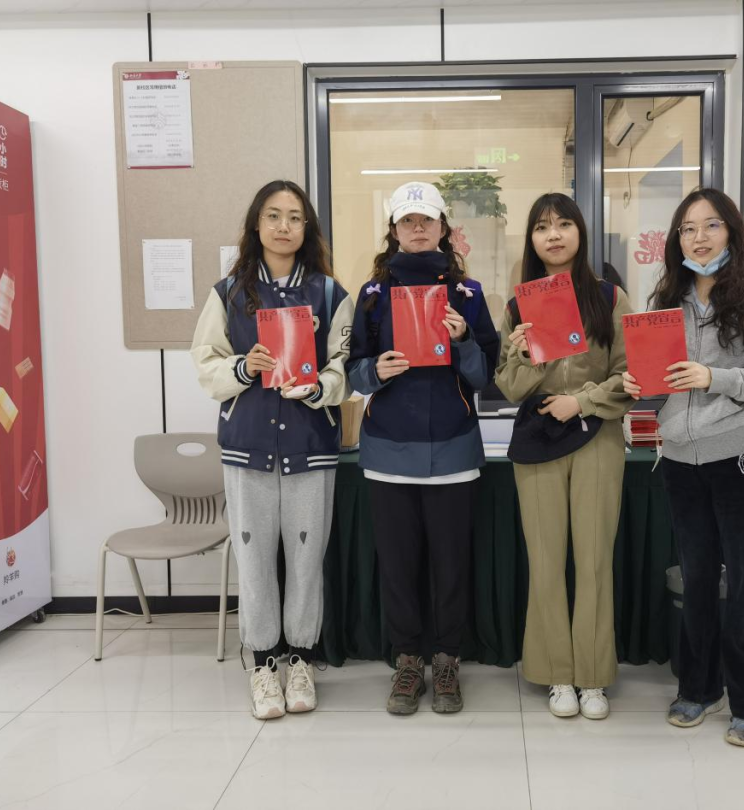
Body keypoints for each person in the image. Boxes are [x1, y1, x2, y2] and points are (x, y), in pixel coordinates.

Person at [623, 187, 744, 747]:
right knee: (696, 578)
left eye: (711, 225)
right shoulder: (664, 303)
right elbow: (658, 387)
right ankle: (698, 687)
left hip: (741, 455)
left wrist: (712, 377)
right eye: (688, 228)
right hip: (679, 457)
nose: (699, 237)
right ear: (677, 240)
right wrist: (636, 386)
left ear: (732, 232)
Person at [191, 180, 354, 720]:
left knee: (307, 560)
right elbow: (206, 362)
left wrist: (319, 387)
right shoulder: (228, 293)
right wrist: (244, 368)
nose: (284, 226)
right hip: (249, 447)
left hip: (311, 446)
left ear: (308, 228)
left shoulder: (330, 294)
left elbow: (344, 366)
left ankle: (301, 660)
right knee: (255, 561)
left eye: (295, 217)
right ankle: (263, 665)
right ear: (256, 225)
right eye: (273, 216)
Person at [346, 181, 499, 715]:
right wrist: (376, 370)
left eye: (426, 220)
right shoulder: (371, 295)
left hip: (453, 451)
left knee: (451, 566)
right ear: (393, 230)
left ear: (442, 227)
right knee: (398, 567)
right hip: (388, 453)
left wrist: (462, 342)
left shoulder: (468, 294)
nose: (417, 228)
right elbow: (353, 371)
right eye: (407, 221)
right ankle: (408, 661)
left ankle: (448, 660)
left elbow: (486, 375)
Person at [494, 193, 633, 721]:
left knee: (594, 560)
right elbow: (509, 387)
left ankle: (592, 676)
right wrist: (522, 352)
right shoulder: (517, 307)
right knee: (546, 561)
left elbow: (630, 374)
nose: (553, 235)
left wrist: (584, 401)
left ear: (580, 232)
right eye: (542, 227)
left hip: (597, 437)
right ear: (531, 239)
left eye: (563, 224)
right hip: (538, 441)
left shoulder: (610, 297)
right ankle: (557, 673)